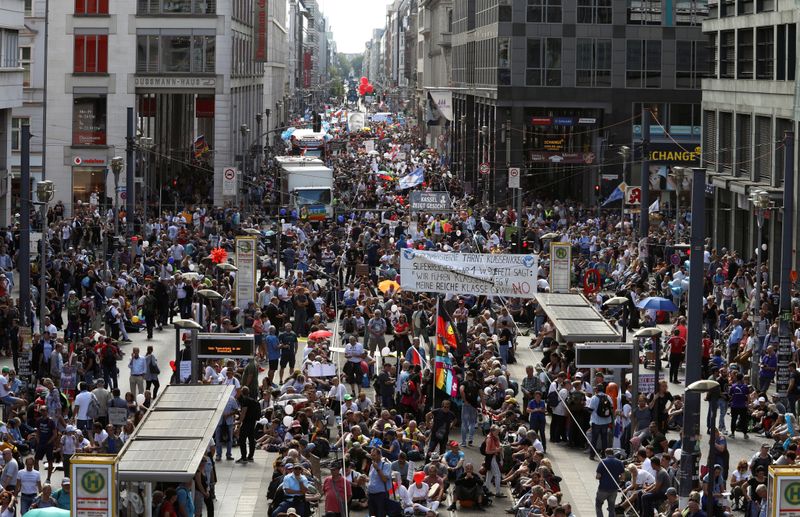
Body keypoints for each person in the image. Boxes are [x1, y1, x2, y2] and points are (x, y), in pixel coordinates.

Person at [595, 448, 624, 517]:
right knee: (611, 507)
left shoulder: (603, 462)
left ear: (605, 453)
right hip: (614, 489)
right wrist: (617, 479)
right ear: (613, 453)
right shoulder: (619, 462)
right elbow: (623, 477)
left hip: (603, 488)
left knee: (598, 505)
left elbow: (598, 476)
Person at [235, 386, 259, 463]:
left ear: (242, 392)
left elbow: (244, 412)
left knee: (242, 439)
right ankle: (251, 456)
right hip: (253, 422)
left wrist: (239, 422)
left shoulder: (245, 400)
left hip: (246, 422)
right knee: (251, 439)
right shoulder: (254, 400)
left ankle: (244, 457)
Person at [588, 384, 613, 460]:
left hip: (596, 421)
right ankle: (604, 455)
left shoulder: (594, 398)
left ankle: (592, 455)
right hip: (605, 422)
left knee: (594, 439)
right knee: (604, 439)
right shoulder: (608, 397)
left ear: (597, 390)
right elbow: (611, 407)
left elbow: (590, 409)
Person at [367, 448, 393, 517]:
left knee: (381, 514)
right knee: (372, 515)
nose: (372, 457)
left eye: (374, 455)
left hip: (381, 495)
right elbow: (372, 479)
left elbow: (384, 479)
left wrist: (377, 468)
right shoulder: (372, 465)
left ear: (379, 455)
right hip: (371, 494)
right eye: (371, 455)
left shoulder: (386, 465)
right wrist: (365, 479)